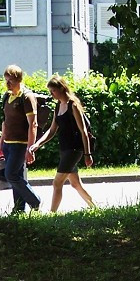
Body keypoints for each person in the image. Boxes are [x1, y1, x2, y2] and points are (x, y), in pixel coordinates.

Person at [27, 74, 97, 212]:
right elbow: (52, 130)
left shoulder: (73, 105)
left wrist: (88, 154)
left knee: (57, 183)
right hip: (65, 149)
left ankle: (52, 215)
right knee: (76, 184)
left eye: (53, 91)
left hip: (74, 149)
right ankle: (95, 208)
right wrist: (37, 144)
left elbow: (83, 131)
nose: (51, 94)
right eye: (50, 91)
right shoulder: (58, 106)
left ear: (61, 88)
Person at [0, 64, 42, 213]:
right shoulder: (7, 96)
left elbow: (33, 124)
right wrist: (1, 143)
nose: (7, 84)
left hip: (20, 144)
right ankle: (19, 209)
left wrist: (30, 148)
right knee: (17, 176)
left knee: (11, 175)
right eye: (6, 80)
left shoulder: (26, 97)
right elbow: (5, 122)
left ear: (19, 79)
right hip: (8, 144)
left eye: (11, 81)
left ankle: (35, 200)